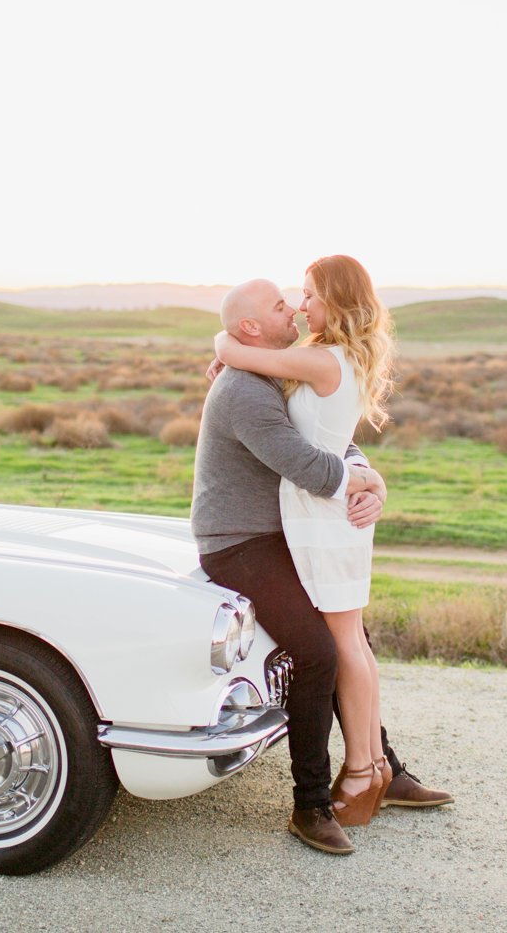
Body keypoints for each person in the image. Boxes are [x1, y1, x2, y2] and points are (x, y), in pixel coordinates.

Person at [192, 261, 451, 857]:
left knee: (347, 632)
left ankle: (379, 765)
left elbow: (326, 437)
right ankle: (310, 803)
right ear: (253, 330)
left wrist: (372, 479)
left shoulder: (273, 372)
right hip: (238, 541)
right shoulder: (242, 388)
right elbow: (305, 464)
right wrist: (359, 482)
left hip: (286, 532)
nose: (294, 309)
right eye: (282, 307)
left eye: (298, 300)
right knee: (317, 649)